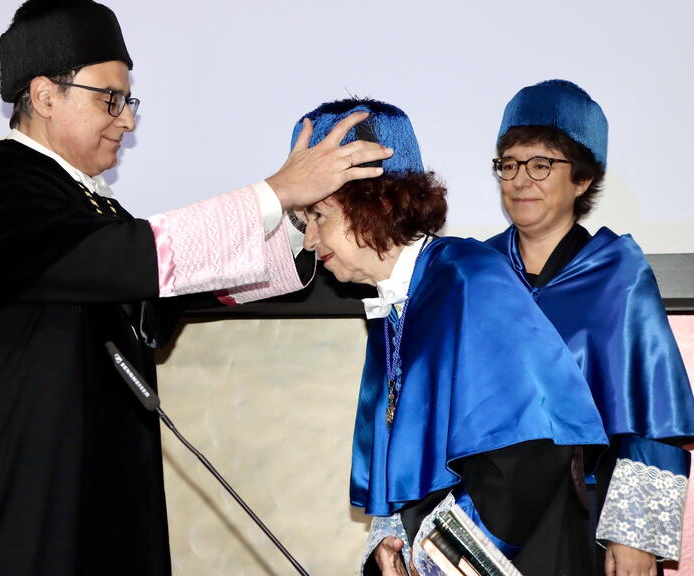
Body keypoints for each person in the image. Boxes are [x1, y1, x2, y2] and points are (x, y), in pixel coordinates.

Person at [0, 0, 393, 575]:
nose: (129, 119)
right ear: (44, 94)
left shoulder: (92, 209)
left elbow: (158, 302)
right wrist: (274, 192)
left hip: (105, 510)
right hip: (23, 513)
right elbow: (121, 261)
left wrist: (296, 221)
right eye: (110, 99)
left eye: (129, 99)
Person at [296, 98, 608, 575]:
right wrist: (393, 541)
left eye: (319, 217)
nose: (310, 243)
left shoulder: (466, 276)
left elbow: (531, 446)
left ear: (375, 202)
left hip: (524, 553)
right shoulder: (399, 299)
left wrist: (441, 557)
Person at [486, 79, 694, 576]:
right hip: (485, 516)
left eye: (541, 165)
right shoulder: (477, 271)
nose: (519, 180)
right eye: (508, 164)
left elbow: (653, 415)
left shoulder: (617, 274)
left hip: (583, 512)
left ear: (581, 179)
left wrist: (635, 533)